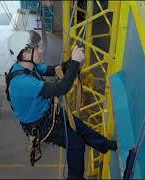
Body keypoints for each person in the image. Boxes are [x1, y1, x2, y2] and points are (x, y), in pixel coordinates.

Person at [6, 30, 117, 179]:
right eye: (36, 48)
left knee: (80, 126)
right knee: (76, 144)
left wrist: (72, 61)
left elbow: (57, 69)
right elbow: (60, 89)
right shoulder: (22, 82)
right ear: (25, 54)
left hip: (50, 113)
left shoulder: (28, 67)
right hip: (41, 126)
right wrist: (75, 63)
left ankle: (106, 145)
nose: (41, 51)